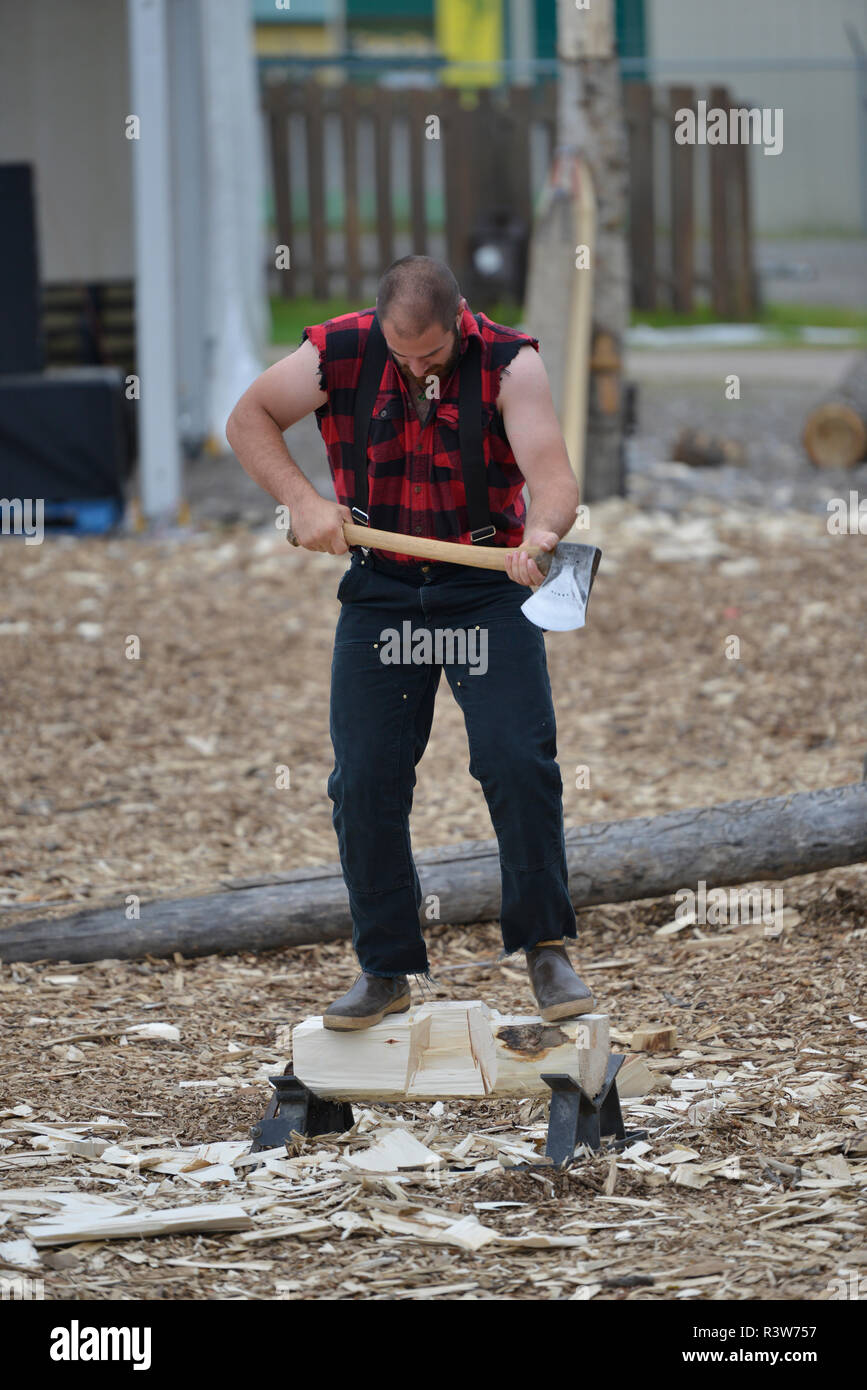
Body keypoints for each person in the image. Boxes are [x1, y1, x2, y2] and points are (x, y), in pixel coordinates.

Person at [226, 255, 595, 1031]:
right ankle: (385, 965)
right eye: (402, 353)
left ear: (458, 322)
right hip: (382, 592)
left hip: (483, 591)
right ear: (381, 326)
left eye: (430, 353)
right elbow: (246, 418)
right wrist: (301, 499)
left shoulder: (508, 362)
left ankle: (545, 946)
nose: (417, 367)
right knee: (363, 781)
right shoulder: (337, 352)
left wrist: (543, 532)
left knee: (517, 763)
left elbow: (554, 475)